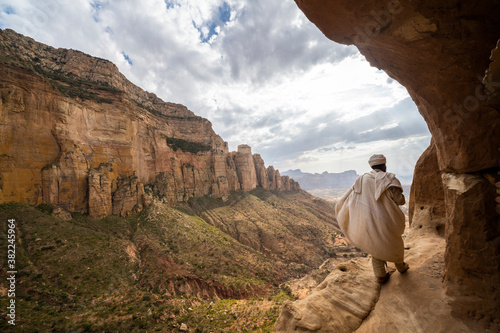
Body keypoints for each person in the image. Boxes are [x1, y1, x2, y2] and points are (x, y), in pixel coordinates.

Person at [335, 154, 409, 283]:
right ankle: (401, 267)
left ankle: (380, 275)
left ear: (372, 165)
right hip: (388, 219)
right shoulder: (389, 179)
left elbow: (352, 197)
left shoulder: (362, 179)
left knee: (376, 245)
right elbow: (400, 200)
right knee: (394, 242)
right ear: (384, 165)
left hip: (370, 220)